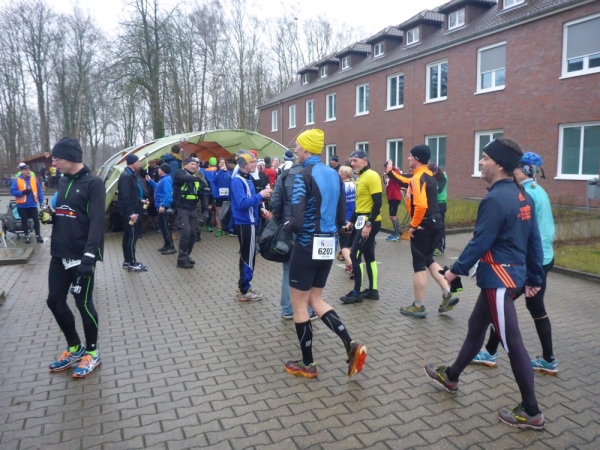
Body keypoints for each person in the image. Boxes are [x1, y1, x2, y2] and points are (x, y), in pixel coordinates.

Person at [424, 138, 546, 430]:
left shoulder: (495, 199)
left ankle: (532, 411)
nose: (480, 162)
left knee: (512, 343)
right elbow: (534, 240)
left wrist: (454, 272)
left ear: (500, 165)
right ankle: (451, 376)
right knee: (476, 326)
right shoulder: (522, 195)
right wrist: (534, 278)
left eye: (485, 158)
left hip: (499, 281)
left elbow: (481, 241)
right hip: (509, 278)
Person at [283, 128, 367, 379]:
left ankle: (307, 364)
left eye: (298, 146)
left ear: (306, 148)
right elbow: (342, 216)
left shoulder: (303, 175)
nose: (295, 150)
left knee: (299, 304)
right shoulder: (334, 174)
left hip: (307, 243)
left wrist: (284, 228)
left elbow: (296, 219)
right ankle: (350, 343)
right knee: (315, 299)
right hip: (328, 243)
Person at [472, 151, 558, 374]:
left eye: (516, 168)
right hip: (545, 257)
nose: (512, 172)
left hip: (529, 261)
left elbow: (524, 233)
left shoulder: (525, 194)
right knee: (534, 308)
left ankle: (491, 352)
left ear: (523, 171)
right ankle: (547, 358)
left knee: (500, 304)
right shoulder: (538, 190)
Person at [45, 137, 105, 378]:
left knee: (83, 303)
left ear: (71, 158)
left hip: (81, 256)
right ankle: (75, 348)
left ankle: (92, 352)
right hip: (59, 253)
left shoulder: (94, 183)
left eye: (57, 158)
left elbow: (97, 223)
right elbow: (66, 212)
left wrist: (89, 257)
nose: (54, 163)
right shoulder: (63, 180)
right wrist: (50, 217)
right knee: (54, 301)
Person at [385, 145, 459, 318]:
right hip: (435, 223)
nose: (408, 158)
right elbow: (406, 182)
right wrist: (390, 173)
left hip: (423, 227)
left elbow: (421, 205)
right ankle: (447, 292)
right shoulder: (427, 174)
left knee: (419, 266)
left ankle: (418, 306)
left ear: (417, 158)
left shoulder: (418, 177)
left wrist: (413, 225)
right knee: (429, 260)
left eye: (410, 156)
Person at [271, 155, 317, 321]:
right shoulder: (313, 174)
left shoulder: (284, 175)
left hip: (288, 227)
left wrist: (281, 219)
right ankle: (307, 310)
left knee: (287, 270)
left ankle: (287, 309)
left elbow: (275, 202)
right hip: (309, 229)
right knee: (307, 269)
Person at [340, 149, 382, 304]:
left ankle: (357, 292)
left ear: (365, 160)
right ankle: (373, 290)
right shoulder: (360, 177)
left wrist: (369, 224)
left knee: (354, 255)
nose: (352, 164)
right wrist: (351, 221)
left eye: (355, 160)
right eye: (351, 161)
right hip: (361, 219)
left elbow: (377, 203)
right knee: (369, 256)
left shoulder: (372, 176)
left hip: (369, 222)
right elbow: (359, 205)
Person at [230, 150, 272, 301]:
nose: (256, 164)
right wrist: (261, 195)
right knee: (248, 256)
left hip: (251, 221)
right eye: (253, 162)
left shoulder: (247, 178)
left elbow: (251, 199)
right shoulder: (237, 180)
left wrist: (260, 208)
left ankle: (244, 286)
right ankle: (244, 289)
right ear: (244, 165)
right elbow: (242, 203)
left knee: (249, 255)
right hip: (245, 223)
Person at [172, 157, 208, 269]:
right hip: (181, 208)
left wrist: (206, 210)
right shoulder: (179, 173)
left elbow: (202, 196)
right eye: (192, 163)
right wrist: (198, 179)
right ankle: (181, 260)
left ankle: (186, 256)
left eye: (196, 164)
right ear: (185, 165)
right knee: (186, 232)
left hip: (193, 209)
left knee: (193, 234)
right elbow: (182, 178)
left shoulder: (197, 178)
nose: (194, 166)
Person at [118, 154, 148, 272]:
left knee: (128, 235)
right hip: (131, 212)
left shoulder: (131, 175)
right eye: (138, 161)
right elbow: (125, 196)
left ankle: (127, 261)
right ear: (132, 163)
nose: (139, 163)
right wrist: (131, 213)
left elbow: (132, 194)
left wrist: (141, 200)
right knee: (132, 236)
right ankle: (132, 262)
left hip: (133, 208)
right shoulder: (126, 176)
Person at [10, 164, 44, 244]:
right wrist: (23, 192)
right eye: (26, 170)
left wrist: (42, 202)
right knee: (24, 220)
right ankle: (27, 235)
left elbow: (39, 191)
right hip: (22, 205)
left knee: (36, 219)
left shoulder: (34, 179)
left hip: (32, 204)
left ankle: (38, 235)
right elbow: (12, 191)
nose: (28, 171)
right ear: (22, 171)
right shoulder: (17, 180)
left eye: (28, 170)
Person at [146, 163, 175, 254]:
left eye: (159, 168)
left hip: (164, 207)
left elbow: (168, 194)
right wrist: (150, 181)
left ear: (163, 170)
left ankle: (171, 246)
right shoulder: (163, 179)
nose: (158, 170)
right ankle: (167, 245)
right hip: (161, 206)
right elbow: (158, 187)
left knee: (166, 227)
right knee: (163, 227)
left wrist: (163, 205)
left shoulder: (166, 180)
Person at [338, 165, 356, 278]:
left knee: (344, 245)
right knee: (351, 243)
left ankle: (350, 264)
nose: (338, 174)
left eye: (339, 172)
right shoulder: (356, 185)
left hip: (344, 219)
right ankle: (349, 265)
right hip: (355, 219)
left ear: (344, 174)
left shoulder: (340, 186)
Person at [429, 163, 448, 256]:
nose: (432, 174)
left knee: (440, 226)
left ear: (437, 171)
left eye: (433, 172)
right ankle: (434, 245)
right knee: (434, 225)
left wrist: (430, 186)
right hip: (434, 203)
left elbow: (439, 189)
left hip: (441, 203)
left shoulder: (443, 177)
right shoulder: (432, 176)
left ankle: (440, 248)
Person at [211, 157, 231, 237]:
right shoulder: (216, 173)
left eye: (223, 162)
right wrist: (220, 171)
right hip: (218, 196)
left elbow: (231, 181)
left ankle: (226, 228)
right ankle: (219, 229)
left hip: (227, 195)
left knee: (226, 212)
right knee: (218, 213)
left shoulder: (229, 173)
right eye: (221, 162)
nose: (222, 164)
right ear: (218, 164)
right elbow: (214, 180)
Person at [385, 165, 403, 242]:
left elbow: (392, 173)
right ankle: (395, 233)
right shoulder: (392, 176)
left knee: (393, 216)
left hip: (395, 197)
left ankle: (397, 235)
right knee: (391, 216)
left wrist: (390, 168)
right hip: (392, 197)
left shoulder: (395, 174)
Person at [201, 157, 218, 232]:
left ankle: (204, 225)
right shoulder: (218, 171)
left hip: (207, 191)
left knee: (207, 207)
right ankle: (211, 224)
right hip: (216, 192)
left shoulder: (204, 171)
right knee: (215, 208)